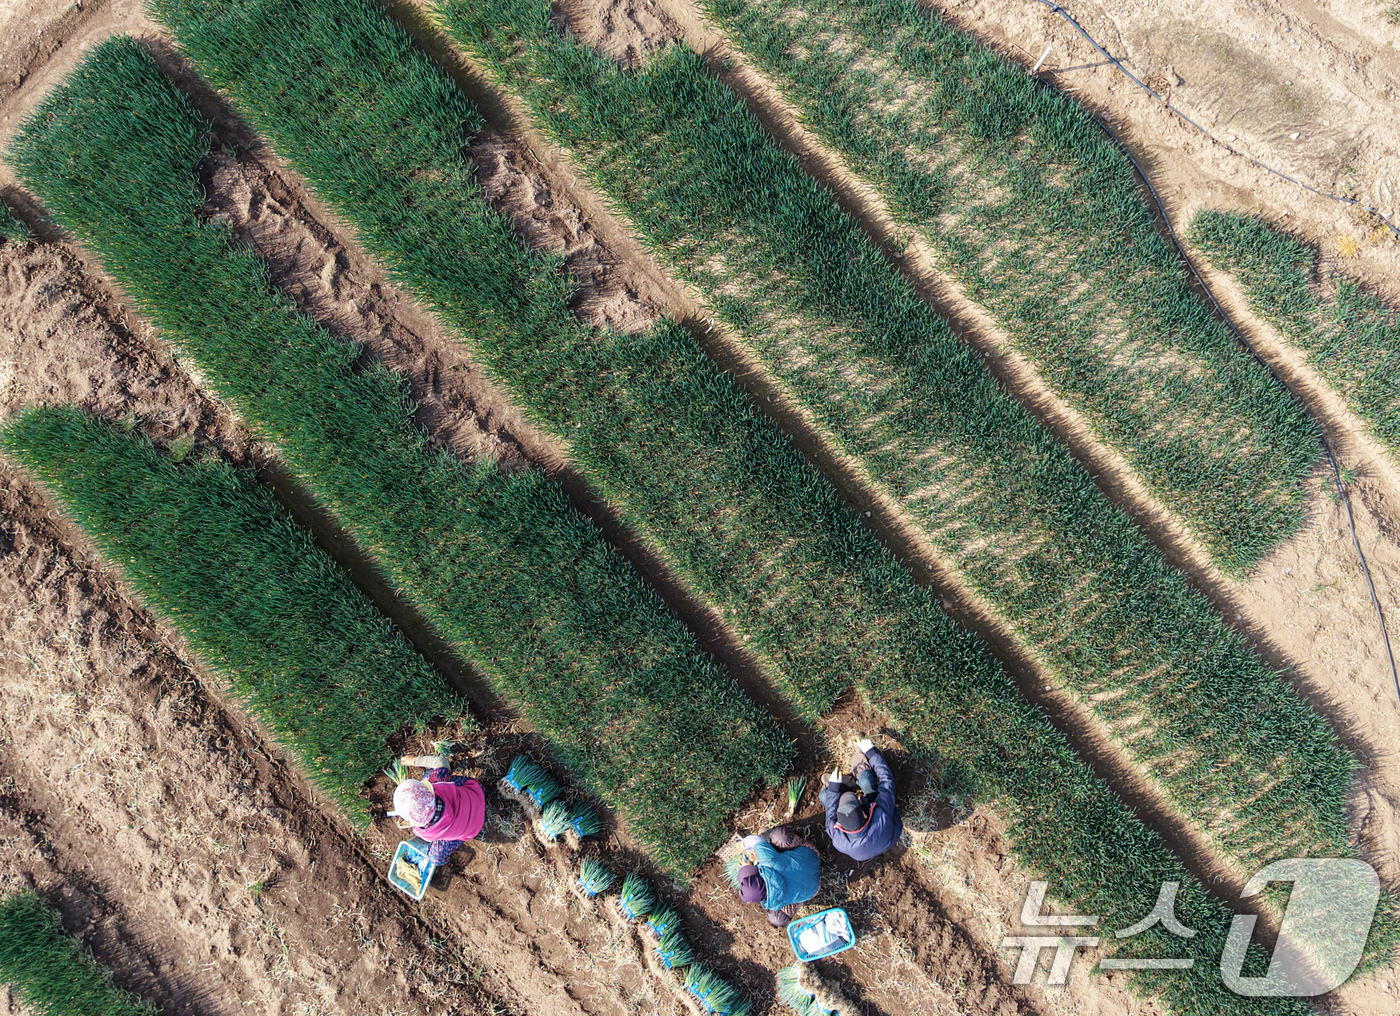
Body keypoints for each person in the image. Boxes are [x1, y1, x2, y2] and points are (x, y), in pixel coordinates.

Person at [391, 753, 486, 876]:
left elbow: (419, 831)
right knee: (428, 775)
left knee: (434, 856)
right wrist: (414, 760)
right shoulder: (438, 782)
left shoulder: (424, 832)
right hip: (477, 793)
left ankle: (442, 861)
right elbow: (441, 762)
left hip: (474, 827)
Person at [819, 737, 903, 862]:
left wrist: (833, 788)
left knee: (825, 796)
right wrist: (872, 753)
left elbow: (830, 817)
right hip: (889, 833)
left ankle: (845, 781)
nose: (859, 797)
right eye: (857, 800)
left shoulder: (838, 840)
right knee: (866, 780)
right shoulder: (881, 814)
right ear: (864, 814)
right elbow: (887, 782)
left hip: (869, 845)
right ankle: (854, 775)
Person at [734, 824, 821, 928]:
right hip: (812, 856)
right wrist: (741, 846)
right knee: (780, 837)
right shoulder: (768, 860)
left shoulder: (773, 905)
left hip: (814, 887)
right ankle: (767, 836)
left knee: (777, 918)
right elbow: (755, 839)